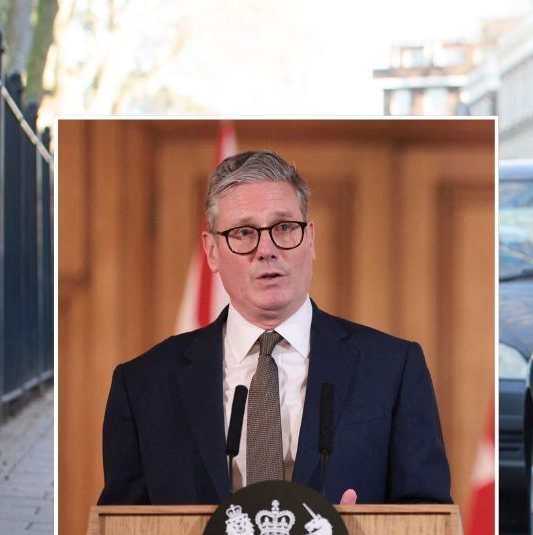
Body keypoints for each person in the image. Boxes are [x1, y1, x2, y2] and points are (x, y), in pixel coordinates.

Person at [98, 149, 451, 506]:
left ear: (310, 238)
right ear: (212, 251)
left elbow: (429, 522)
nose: (266, 249)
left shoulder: (392, 369)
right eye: (244, 232)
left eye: (283, 227)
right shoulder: (143, 385)